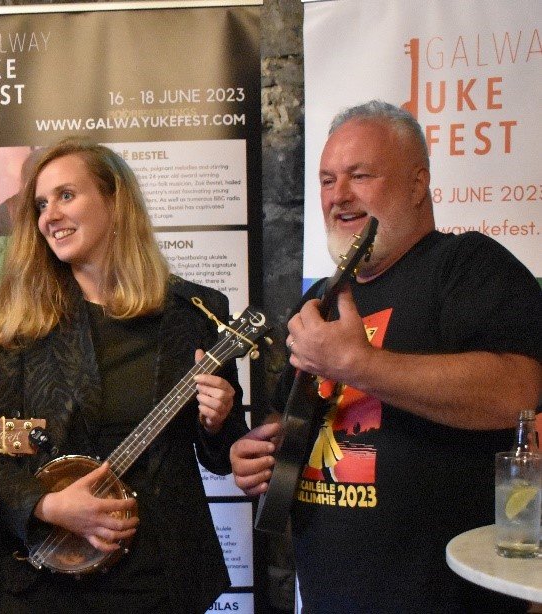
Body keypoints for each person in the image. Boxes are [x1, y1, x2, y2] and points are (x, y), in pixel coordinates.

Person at [231, 100, 542, 613]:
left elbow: (517, 394)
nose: (339, 196)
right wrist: (258, 455)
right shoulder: (319, 304)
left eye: (360, 176)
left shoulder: (467, 264)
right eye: (328, 180)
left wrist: (358, 364)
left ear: (417, 185)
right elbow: (289, 424)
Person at [0, 137, 247, 613]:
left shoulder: (196, 312)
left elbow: (222, 455)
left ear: (115, 201)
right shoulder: (25, 322)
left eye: (66, 195)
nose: (50, 215)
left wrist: (218, 420)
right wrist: (45, 506)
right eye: (41, 204)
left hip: (159, 581)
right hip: (45, 580)